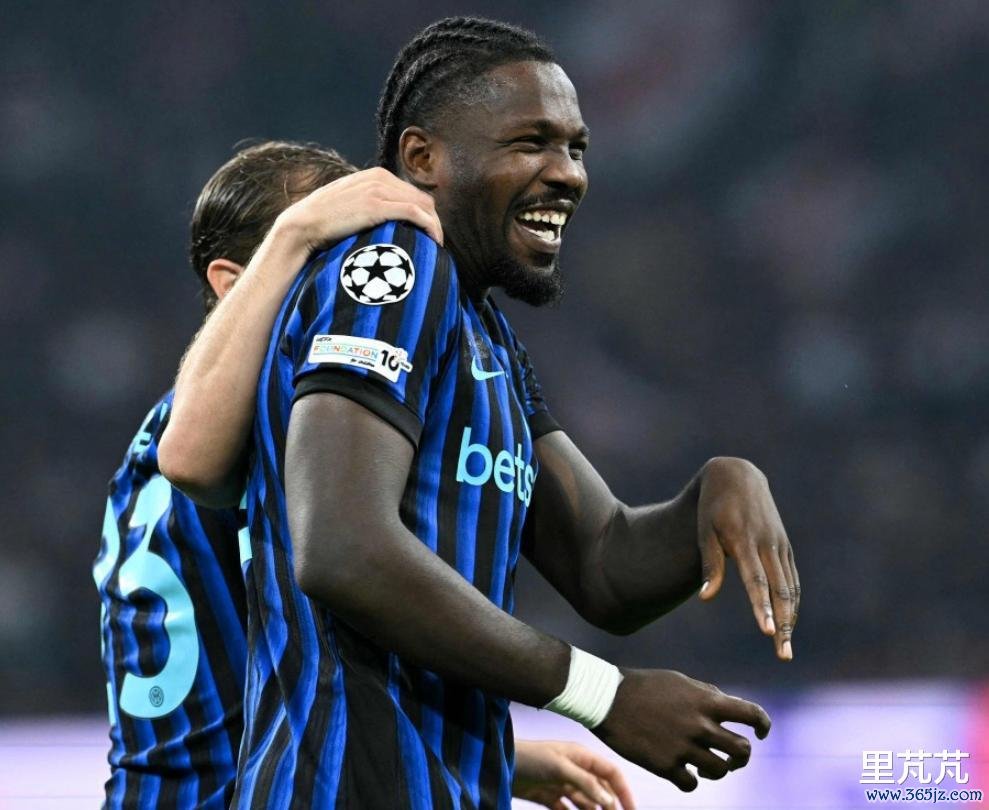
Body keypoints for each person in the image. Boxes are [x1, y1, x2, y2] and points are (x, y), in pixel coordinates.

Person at [159, 16, 798, 809]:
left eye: (576, 148)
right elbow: (342, 549)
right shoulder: (394, 265)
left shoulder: (481, 329)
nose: (566, 174)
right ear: (422, 158)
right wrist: (601, 694)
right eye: (530, 143)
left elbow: (602, 566)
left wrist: (716, 491)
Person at [96, 140, 633, 810]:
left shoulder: (160, 430)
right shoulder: (241, 433)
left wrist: (509, 760)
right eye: (328, 254)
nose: (356, 289)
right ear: (234, 282)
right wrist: (593, 692)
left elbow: (249, 674)